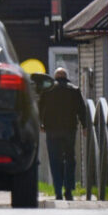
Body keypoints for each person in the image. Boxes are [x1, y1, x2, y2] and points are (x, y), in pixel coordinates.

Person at [38, 67, 90, 201]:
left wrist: (40, 124)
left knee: (55, 160)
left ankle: (57, 191)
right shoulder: (74, 90)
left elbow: (40, 108)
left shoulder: (47, 90)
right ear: (66, 77)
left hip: (52, 130)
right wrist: (85, 126)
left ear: (55, 77)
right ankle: (68, 191)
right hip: (69, 130)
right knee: (69, 159)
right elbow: (81, 109)